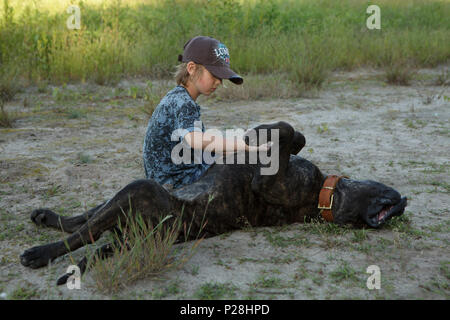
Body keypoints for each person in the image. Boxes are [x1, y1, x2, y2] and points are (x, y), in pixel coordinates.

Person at [143, 36, 269, 190]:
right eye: (214, 75)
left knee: (233, 155)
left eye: (221, 78)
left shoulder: (177, 97)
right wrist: (244, 146)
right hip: (176, 181)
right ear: (191, 68)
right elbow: (195, 141)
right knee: (245, 168)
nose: (218, 82)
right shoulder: (184, 103)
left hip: (176, 172)